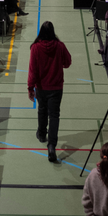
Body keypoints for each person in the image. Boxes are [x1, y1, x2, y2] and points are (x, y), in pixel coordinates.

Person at [28, 21, 72, 162]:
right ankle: (52, 145)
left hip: (41, 87)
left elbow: (32, 70)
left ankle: (41, 134)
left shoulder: (35, 48)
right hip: (56, 87)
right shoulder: (60, 46)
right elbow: (67, 62)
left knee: (42, 110)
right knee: (54, 115)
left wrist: (30, 87)